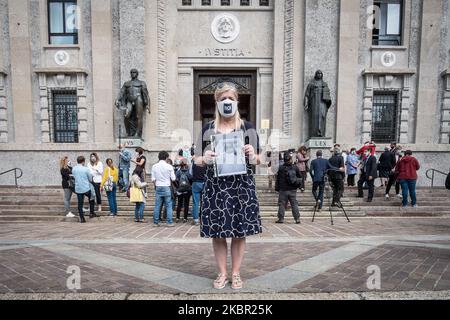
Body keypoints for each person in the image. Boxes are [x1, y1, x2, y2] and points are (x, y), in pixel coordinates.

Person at [194, 82, 262, 290]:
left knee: (239, 232)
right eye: (223, 98)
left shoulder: (248, 127)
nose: (227, 102)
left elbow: (260, 159)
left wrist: (253, 155)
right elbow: (195, 159)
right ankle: (222, 273)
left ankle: (236, 273)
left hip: (241, 186)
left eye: (231, 98)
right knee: (218, 232)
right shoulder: (207, 129)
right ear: (216, 102)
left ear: (237, 101)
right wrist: (203, 158)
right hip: (216, 186)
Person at [115, 69, 150, 138]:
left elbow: (146, 94)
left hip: (138, 99)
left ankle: (138, 134)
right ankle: (129, 133)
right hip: (129, 100)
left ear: (137, 74)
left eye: (134, 72)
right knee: (126, 116)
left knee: (138, 117)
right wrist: (117, 99)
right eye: (131, 72)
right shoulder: (127, 83)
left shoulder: (141, 83)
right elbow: (121, 92)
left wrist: (147, 104)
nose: (132, 74)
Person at [304, 70, 332, 138]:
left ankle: (322, 134)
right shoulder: (311, 84)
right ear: (315, 74)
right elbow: (306, 95)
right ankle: (313, 134)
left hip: (322, 103)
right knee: (314, 117)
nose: (319, 75)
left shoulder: (324, 84)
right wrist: (306, 103)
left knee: (322, 116)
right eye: (318, 73)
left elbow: (328, 95)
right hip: (314, 103)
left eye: (320, 73)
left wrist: (327, 101)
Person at [275, 152, 301, 224]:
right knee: (294, 204)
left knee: (282, 204)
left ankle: (281, 218)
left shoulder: (281, 168)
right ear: (290, 159)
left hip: (283, 189)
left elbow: (278, 179)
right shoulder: (295, 167)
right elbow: (300, 176)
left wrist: (277, 188)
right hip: (293, 189)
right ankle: (297, 218)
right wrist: (298, 185)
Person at [151, 151, 176, 227]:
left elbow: (153, 179)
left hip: (158, 186)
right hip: (166, 186)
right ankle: (169, 222)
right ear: (166, 157)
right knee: (168, 205)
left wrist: (156, 185)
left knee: (157, 205)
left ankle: (155, 222)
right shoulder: (169, 166)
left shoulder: (154, 166)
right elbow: (173, 178)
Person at [72, 156, 96, 223]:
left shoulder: (74, 169)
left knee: (80, 203)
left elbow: (74, 177)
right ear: (83, 161)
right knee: (92, 198)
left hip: (78, 188)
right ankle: (91, 212)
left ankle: (82, 218)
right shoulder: (86, 169)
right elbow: (90, 179)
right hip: (86, 188)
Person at [191, 156, 206, 226]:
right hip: (204, 183)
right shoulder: (205, 161)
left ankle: (196, 220)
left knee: (195, 203)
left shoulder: (194, 162)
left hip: (196, 183)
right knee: (204, 202)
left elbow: (190, 173)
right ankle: (204, 219)